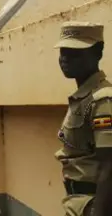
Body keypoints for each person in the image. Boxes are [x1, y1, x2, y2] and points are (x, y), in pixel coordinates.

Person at [54, 21, 112, 216]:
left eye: (75, 53)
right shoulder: (83, 98)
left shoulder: (102, 99)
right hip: (78, 204)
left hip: (94, 205)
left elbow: (109, 164)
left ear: (98, 53)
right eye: (63, 51)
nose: (65, 59)